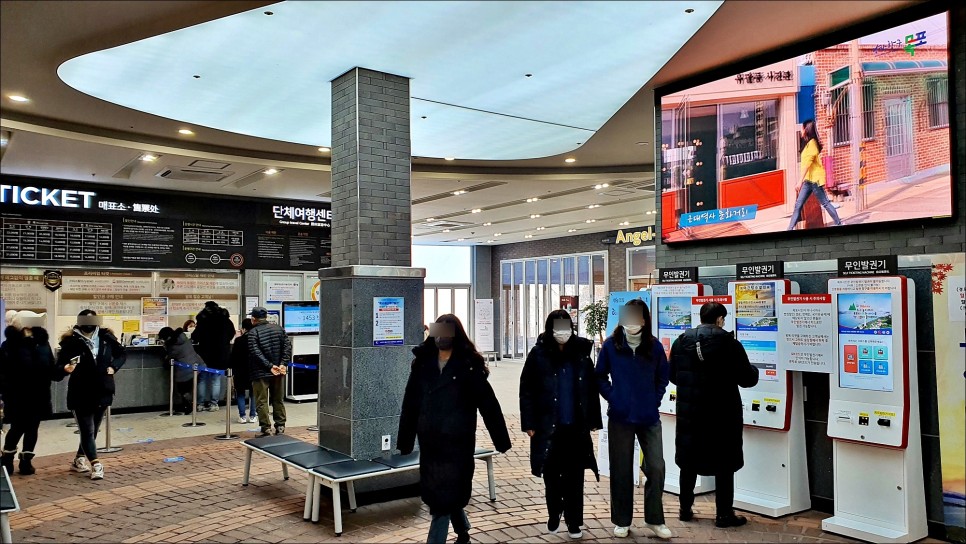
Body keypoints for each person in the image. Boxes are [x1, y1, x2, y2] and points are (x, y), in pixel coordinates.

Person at [398, 314, 511, 544]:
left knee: (443, 500)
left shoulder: (468, 366)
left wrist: (501, 439)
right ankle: (463, 531)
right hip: (430, 443)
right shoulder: (423, 364)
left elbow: (488, 404)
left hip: (457, 444)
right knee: (443, 494)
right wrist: (406, 440)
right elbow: (411, 402)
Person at [669, 301, 759, 528]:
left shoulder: (681, 342)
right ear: (719, 319)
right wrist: (755, 370)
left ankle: (684, 509)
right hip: (722, 413)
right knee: (724, 463)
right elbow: (748, 379)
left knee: (688, 461)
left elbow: (673, 375)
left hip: (690, 413)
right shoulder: (730, 343)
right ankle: (723, 514)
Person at [520, 310, 601, 539]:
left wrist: (593, 420)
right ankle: (554, 511)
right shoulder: (538, 354)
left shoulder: (582, 353)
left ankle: (575, 522)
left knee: (575, 477)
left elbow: (591, 388)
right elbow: (526, 390)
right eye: (557, 326)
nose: (562, 331)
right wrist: (529, 422)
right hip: (548, 426)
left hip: (575, 426)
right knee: (552, 476)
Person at [595, 299, 672, 539]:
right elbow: (599, 377)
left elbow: (663, 378)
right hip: (620, 417)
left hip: (649, 416)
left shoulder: (654, 347)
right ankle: (621, 520)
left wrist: (654, 400)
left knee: (656, 466)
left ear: (644, 320)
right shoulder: (611, 346)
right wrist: (613, 397)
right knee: (621, 469)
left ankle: (654, 519)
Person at [52, 310, 126, 481]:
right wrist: (65, 369)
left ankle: (79, 459)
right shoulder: (70, 342)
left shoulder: (106, 337)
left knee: (93, 429)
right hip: (81, 392)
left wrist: (114, 366)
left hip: (103, 389)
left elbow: (122, 353)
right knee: (87, 430)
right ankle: (96, 463)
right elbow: (58, 368)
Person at [0, 312, 55, 475]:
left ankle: (26, 462)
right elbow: (3, 372)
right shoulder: (8, 345)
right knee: (17, 427)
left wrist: (63, 370)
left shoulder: (43, 343)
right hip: (17, 395)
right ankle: (7, 461)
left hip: (39, 394)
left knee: (32, 428)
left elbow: (51, 367)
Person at [787, 119, 843, 230]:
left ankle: (839, 224)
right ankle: (789, 229)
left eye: (802, 128)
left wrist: (799, 181)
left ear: (806, 129)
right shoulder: (807, 143)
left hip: (815, 180)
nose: (801, 130)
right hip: (808, 180)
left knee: (825, 203)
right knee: (798, 204)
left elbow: (807, 164)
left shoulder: (812, 144)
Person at [248, 307, 292, 436]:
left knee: (262, 400)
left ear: (253, 319)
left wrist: (269, 366)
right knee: (278, 399)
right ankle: (280, 426)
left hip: (260, 372)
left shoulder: (253, 332)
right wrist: (282, 364)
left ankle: (266, 428)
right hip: (278, 371)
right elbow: (287, 347)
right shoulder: (279, 329)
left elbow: (255, 352)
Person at [192, 301, 235, 411]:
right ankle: (214, 404)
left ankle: (200, 404)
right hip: (220, 354)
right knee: (216, 379)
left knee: (202, 379)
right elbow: (231, 333)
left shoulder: (203, 320)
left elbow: (195, 337)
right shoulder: (226, 320)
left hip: (205, 354)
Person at [158, 326, 206, 414]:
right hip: (197, 364)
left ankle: (188, 406)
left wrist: (165, 346)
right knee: (194, 386)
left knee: (182, 389)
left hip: (185, 370)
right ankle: (199, 404)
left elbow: (170, 358)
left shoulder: (172, 346)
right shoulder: (182, 336)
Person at [229, 319, 257, 424]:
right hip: (253, 371)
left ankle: (242, 416)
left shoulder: (239, 340)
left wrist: (231, 368)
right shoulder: (256, 339)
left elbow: (233, 356)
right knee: (253, 393)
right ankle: (253, 416)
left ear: (243, 329)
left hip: (240, 371)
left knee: (240, 394)